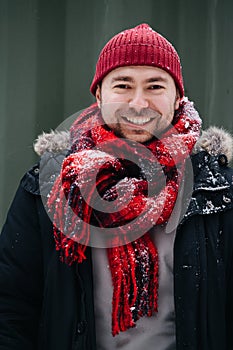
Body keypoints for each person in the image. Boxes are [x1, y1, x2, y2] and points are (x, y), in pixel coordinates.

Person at [0, 23, 233, 350]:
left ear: (178, 97)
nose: (138, 103)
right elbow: (11, 307)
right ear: (99, 95)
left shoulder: (217, 190)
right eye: (123, 85)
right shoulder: (49, 188)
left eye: (155, 86)